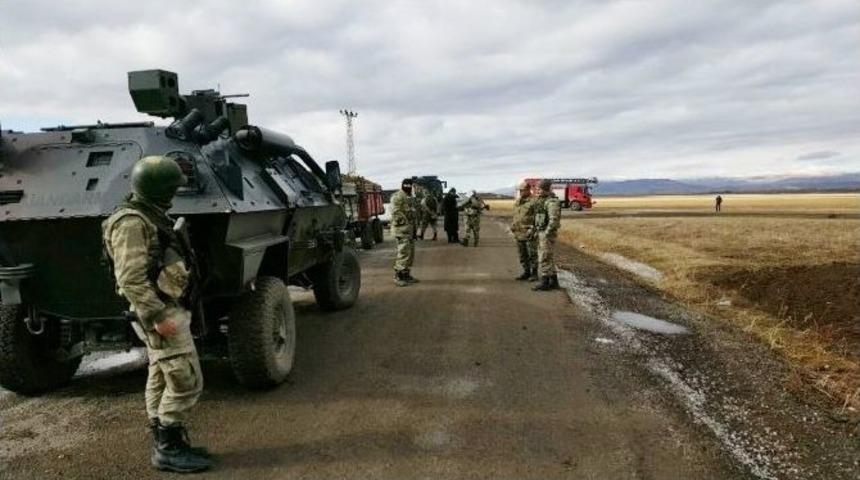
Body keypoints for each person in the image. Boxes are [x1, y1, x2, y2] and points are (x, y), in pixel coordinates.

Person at [102, 156, 212, 473]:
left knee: (161, 375)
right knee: (185, 380)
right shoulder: (131, 223)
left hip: (164, 307)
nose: (174, 194)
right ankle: (168, 447)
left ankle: (168, 442)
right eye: (170, 188)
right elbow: (131, 279)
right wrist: (157, 316)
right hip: (157, 312)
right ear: (157, 188)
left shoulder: (149, 215)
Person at [532, 178, 562, 291]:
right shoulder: (543, 200)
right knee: (548, 258)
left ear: (545, 189)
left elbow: (553, 221)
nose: (538, 191)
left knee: (544, 257)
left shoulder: (552, 202)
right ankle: (554, 281)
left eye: (539, 189)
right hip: (541, 232)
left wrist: (546, 233)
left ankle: (544, 282)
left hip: (546, 234)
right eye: (537, 189)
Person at [390, 178, 420, 286]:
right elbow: (395, 212)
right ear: (407, 186)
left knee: (410, 254)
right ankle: (398, 276)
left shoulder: (409, 197)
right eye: (411, 186)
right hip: (402, 231)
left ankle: (406, 275)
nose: (412, 189)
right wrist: (406, 224)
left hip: (410, 231)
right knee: (403, 253)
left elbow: (413, 214)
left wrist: (414, 229)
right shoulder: (398, 196)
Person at [511, 180, 538, 281]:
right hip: (518, 232)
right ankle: (526, 272)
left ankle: (534, 274)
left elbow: (538, 218)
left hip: (529, 232)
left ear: (528, 190)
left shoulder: (534, 201)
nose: (521, 192)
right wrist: (513, 226)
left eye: (522, 190)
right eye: (520, 190)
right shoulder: (518, 202)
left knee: (532, 254)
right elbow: (516, 215)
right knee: (522, 254)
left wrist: (534, 229)